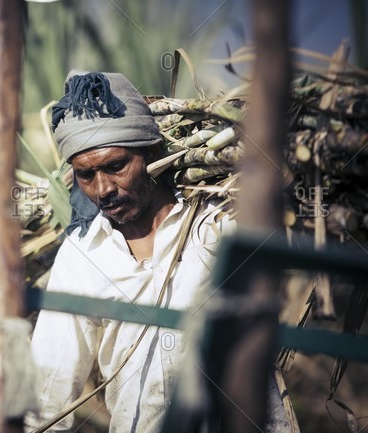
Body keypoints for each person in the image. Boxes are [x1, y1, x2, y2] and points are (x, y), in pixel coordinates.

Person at [24, 71, 289, 432]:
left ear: (151, 153)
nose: (103, 189)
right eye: (86, 175)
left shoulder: (215, 227)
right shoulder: (82, 254)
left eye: (116, 166)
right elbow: (48, 387)